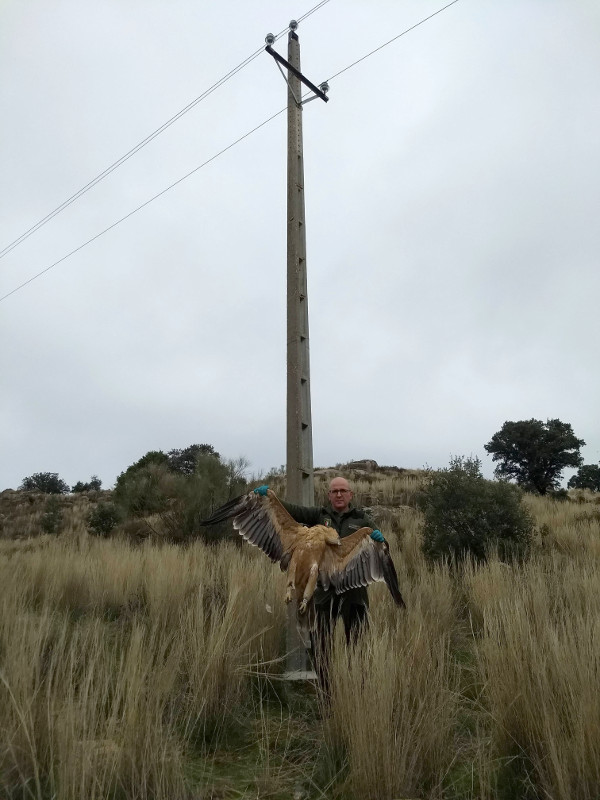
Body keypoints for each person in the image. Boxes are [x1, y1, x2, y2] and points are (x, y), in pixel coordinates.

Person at [254, 476, 384, 693]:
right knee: (321, 646)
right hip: (324, 594)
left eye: (343, 490)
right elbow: (292, 511)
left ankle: (358, 695)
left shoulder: (363, 520)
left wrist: (381, 539)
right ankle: (327, 696)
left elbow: (380, 548)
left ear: (351, 494)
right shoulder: (318, 516)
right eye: (335, 491)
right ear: (329, 495)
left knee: (359, 647)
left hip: (355, 594)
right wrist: (270, 496)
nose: (339, 494)